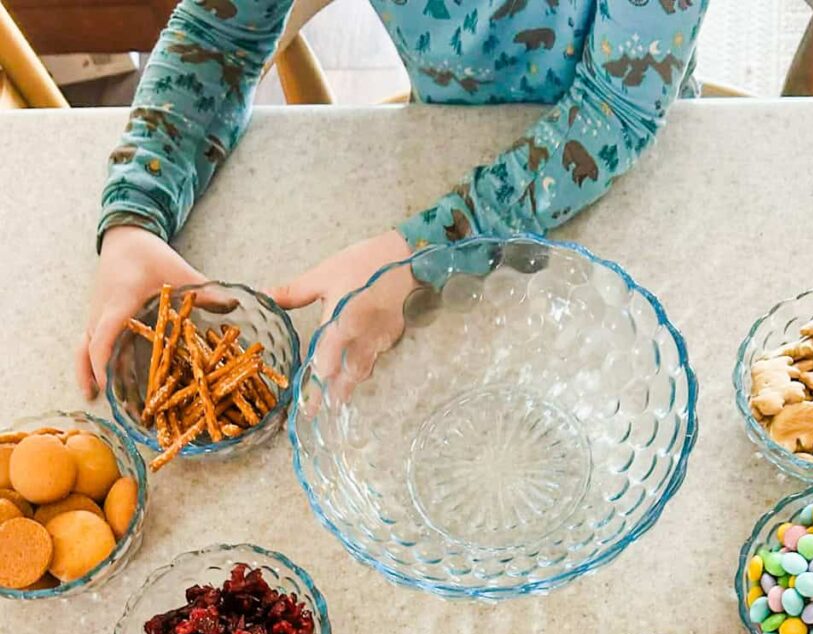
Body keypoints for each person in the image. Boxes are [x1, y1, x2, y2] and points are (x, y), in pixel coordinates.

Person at [77, 0, 709, 397]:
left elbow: (616, 110)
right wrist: (135, 217)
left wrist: (423, 252)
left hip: (634, 175)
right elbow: (220, 39)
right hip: (441, 144)